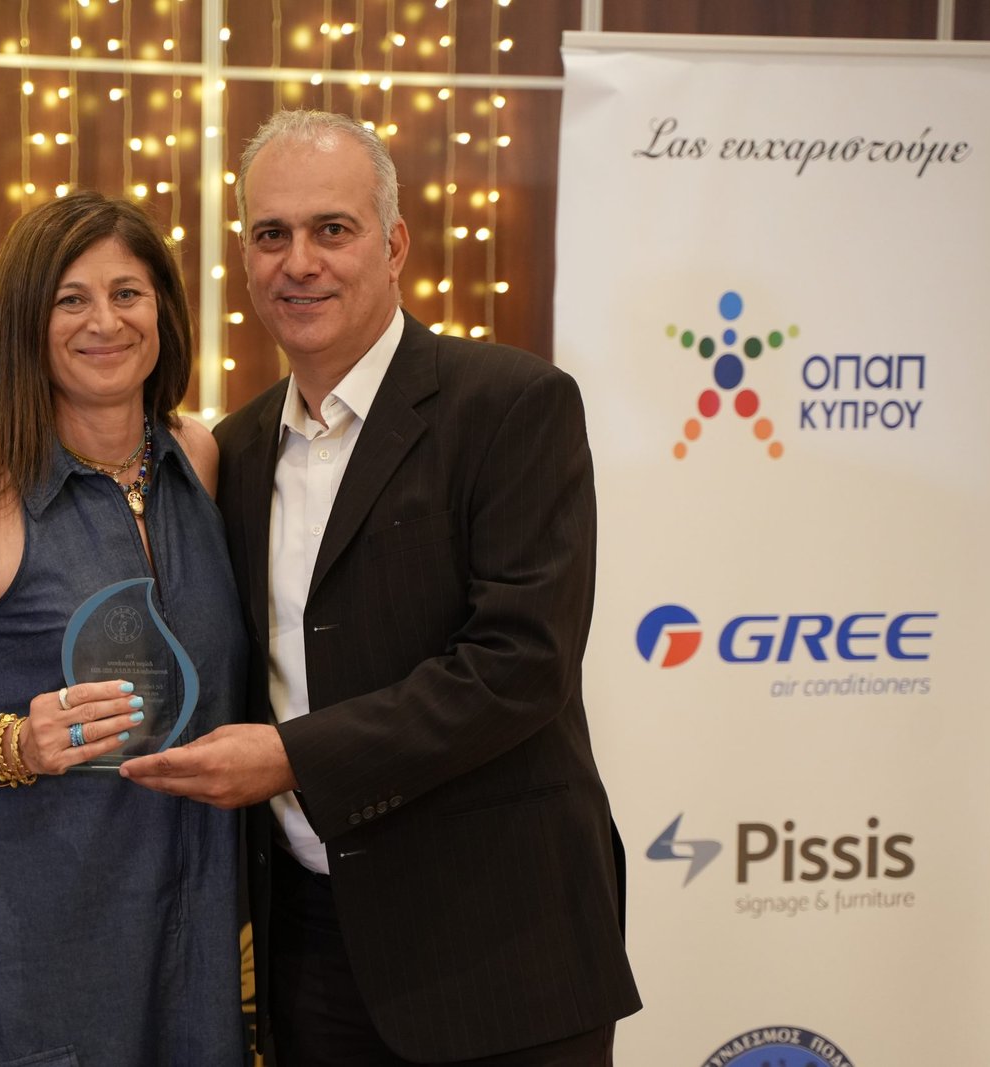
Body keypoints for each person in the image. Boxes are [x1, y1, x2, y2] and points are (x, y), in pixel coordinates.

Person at [122, 110, 641, 1065]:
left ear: (394, 245)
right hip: (310, 949)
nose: (299, 262)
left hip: (500, 945)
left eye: (332, 228)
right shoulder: (235, 450)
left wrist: (292, 757)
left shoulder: (511, 404)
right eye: (270, 234)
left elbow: (520, 664)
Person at [0, 190, 246, 1066]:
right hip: (33, 943)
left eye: (127, 293)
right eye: (71, 298)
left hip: (190, 930)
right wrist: (13, 744)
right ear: (26, 325)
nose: (104, 321)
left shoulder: (200, 458)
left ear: (163, 311)